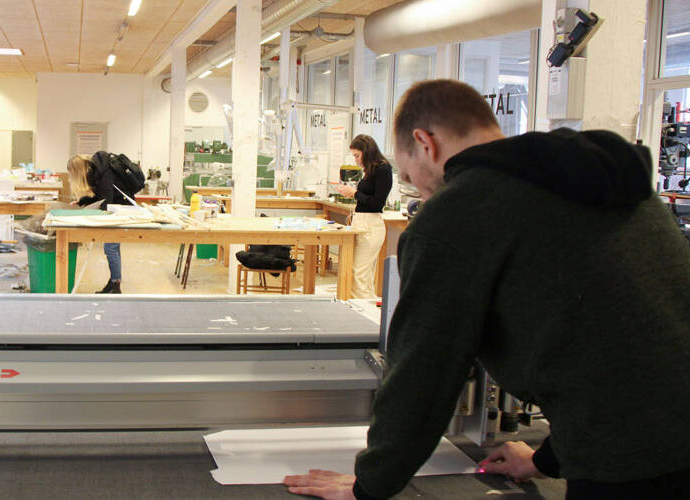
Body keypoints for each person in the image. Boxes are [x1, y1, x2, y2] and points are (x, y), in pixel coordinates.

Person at [283, 79, 690, 499]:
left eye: (410, 177)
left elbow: (425, 372)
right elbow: (613, 353)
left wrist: (369, 484)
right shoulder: (593, 177)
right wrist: (544, 460)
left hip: (634, 466)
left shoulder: (459, 212)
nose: (421, 192)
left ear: (425, 143)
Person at [332, 135, 393, 298]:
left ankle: (362, 310)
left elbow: (376, 204)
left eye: (357, 155)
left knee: (358, 273)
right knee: (362, 274)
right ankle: (369, 309)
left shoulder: (383, 169)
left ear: (368, 152)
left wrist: (355, 193)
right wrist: (353, 194)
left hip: (371, 226)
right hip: (362, 223)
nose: (356, 160)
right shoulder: (370, 170)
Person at [66, 152, 132, 294]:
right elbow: (100, 196)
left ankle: (115, 285)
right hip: (116, 207)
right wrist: (82, 201)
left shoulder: (103, 171)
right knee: (113, 248)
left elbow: (106, 199)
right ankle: (114, 281)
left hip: (120, 208)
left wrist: (93, 218)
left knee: (111, 248)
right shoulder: (97, 170)